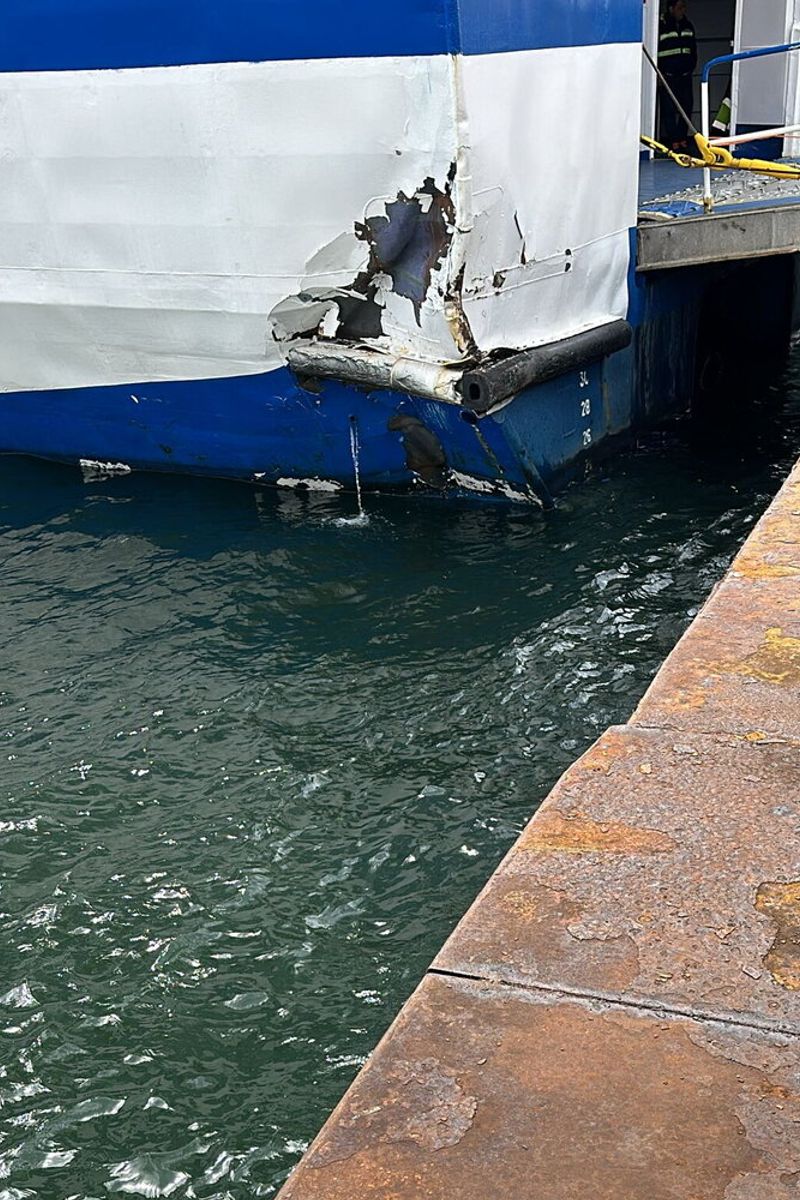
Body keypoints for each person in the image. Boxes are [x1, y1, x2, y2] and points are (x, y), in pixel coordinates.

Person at [658, 0, 698, 150]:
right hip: (668, 75)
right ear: (671, 8)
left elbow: (693, 49)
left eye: (684, 7)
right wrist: (659, 73)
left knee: (687, 107)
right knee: (668, 109)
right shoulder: (661, 27)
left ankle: (682, 138)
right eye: (680, 7)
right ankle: (674, 140)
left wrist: (691, 66)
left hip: (685, 75)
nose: (683, 10)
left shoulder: (688, 26)